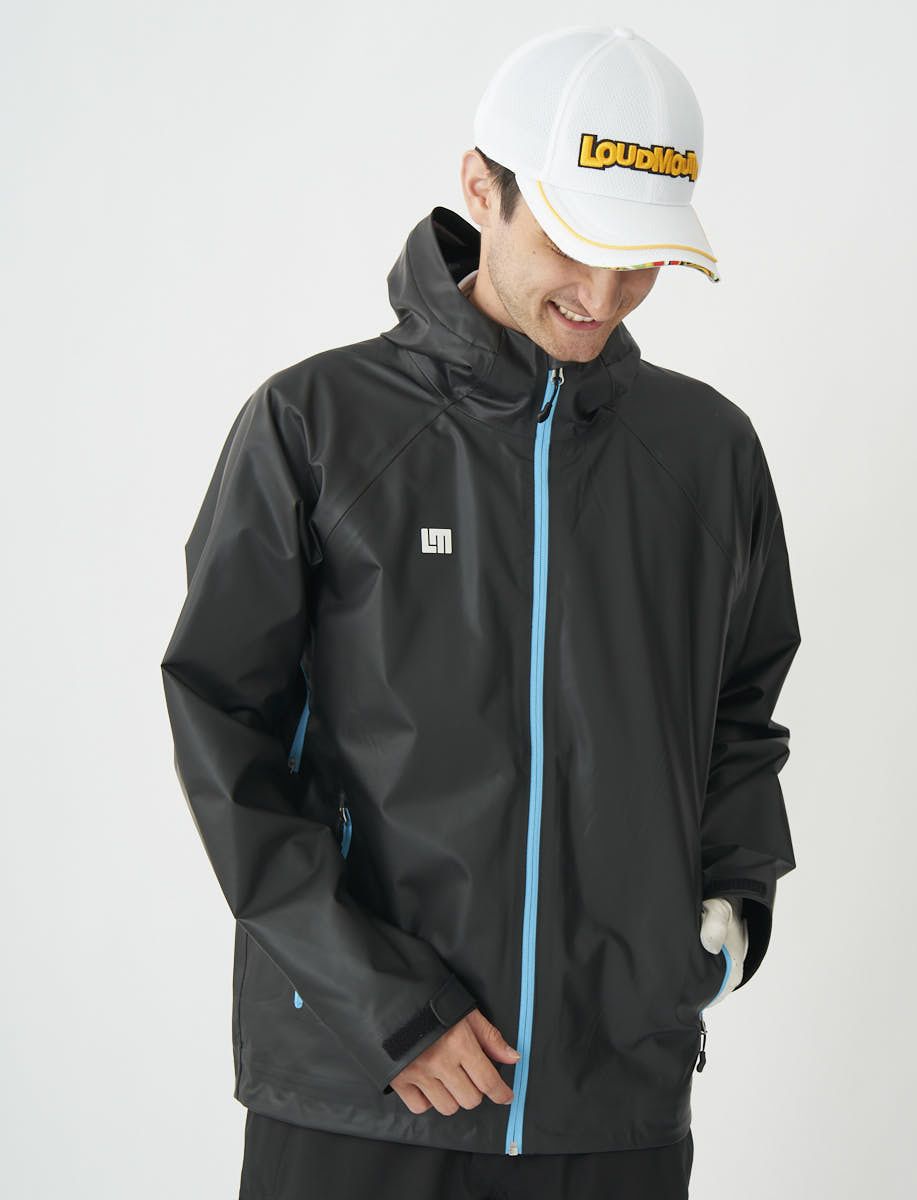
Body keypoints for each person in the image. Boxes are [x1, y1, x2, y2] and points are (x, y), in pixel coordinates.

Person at [160, 24, 800, 1200]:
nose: (600, 296)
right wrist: (381, 1006)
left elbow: (739, 714)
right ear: (479, 187)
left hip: (613, 1101)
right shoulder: (317, 426)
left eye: (638, 259)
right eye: (571, 242)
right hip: (366, 1095)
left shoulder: (705, 455)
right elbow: (225, 730)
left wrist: (731, 913)